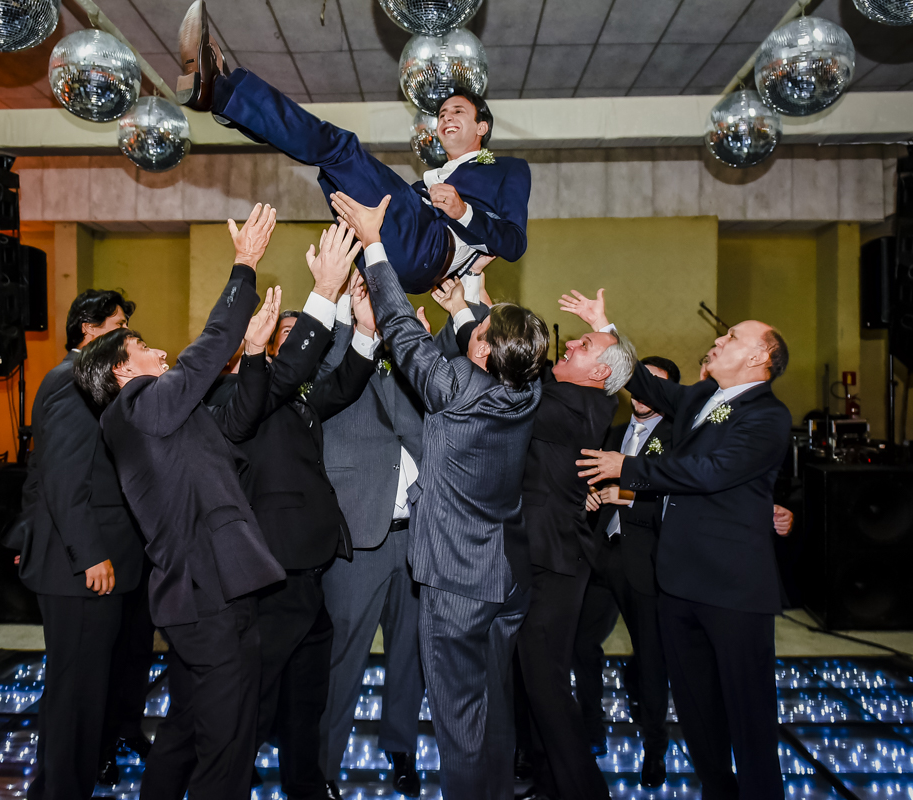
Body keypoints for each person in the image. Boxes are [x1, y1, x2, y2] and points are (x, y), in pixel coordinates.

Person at [331, 190, 549, 799]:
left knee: (460, 723)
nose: (474, 330)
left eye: (480, 330)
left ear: (483, 349)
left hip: (458, 583)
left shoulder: (455, 387)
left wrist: (375, 243)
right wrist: (462, 307)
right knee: (494, 705)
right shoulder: (527, 389)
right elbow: (484, 341)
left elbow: (401, 329)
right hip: (507, 576)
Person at [77, 203, 292, 800]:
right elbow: (205, 350)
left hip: (212, 589)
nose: (159, 352)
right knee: (227, 743)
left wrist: (254, 351)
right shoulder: (138, 406)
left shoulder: (160, 418)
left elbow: (238, 423)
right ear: (121, 372)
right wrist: (244, 266)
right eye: (143, 347)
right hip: (207, 595)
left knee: (185, 731)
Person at [576, 316, 792, 800]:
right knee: (697, 714)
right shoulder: (703, 398)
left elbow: (711, 471)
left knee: (749, 718)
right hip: (677, 583)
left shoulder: (768, 415)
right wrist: (605, 328)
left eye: (732, 337)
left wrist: (628, 467)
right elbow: (643, 381)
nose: (718, 339)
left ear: (758, 357)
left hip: (733, 590)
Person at [175, 2, 530, 294]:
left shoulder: (509, 169)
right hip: (400, 254)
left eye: (458, 111)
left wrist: (463, 212)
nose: (446, 117)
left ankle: (222, 95)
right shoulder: (429, 180)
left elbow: (514, 243)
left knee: (340, 149)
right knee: (330, 165)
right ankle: (229, 107)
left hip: (428, 246)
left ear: (482, 127)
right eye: (441, 113)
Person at [205, 224, 372, 800]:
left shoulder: (278, 391)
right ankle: (227, 781)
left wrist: (366, 331)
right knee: (255, 694)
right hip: (273, 566)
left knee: (306, 696)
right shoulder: (227, 396)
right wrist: (324, 292)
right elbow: (286, 377)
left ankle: (303, 784)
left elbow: (338, 388)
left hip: (305, 565)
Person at [487, 312, 630, 800]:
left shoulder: (585, 405)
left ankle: (585, 792)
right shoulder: (569, 395)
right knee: (532, 681)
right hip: (537, 554)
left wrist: (476, 317)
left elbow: (512, 386)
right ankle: (550, 782)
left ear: (601, 372)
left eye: (583, 345)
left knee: (547, 685)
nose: (568, 344)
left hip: (557, 560)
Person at [14, 287, 147, 800]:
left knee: (87, 688)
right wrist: (90, 553)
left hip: (97, 561)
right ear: (88, 329)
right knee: (76, 694)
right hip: (82, 569)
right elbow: (64, 479)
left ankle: (64, 784)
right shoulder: (71, 381)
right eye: (116, 325)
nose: (125, 334)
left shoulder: (89, 378)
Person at [583, 354, 681, 789]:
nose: (642, 391)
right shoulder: (615, 431)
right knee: (580, 644)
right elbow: (590, 479)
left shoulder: (678, 436)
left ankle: (655, 747)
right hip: (601, 554)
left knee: (651, 660)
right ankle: (592, 729)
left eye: (654, 383)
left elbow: (678, 492)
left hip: (646, 561)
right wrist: (588, 496)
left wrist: (625, 495)